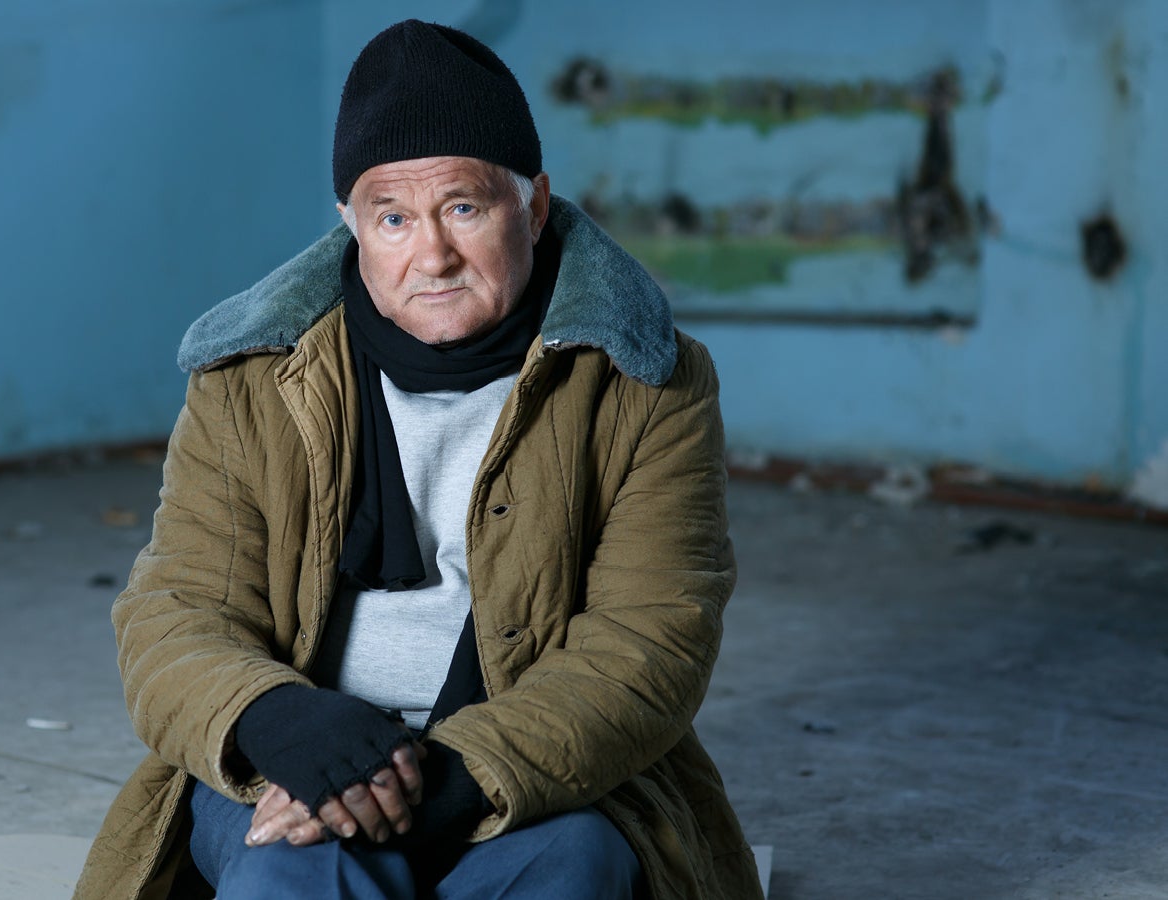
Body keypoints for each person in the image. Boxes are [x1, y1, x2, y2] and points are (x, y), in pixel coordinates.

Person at [74, 19, 762, 900]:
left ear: (535, 204)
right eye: (392, 218)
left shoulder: (644, 382)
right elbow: (176, 609)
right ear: (352, 224)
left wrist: (446, 780)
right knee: (288, 873)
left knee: (575, 868)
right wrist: (276, 721)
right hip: (294, 762)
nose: (430, 254)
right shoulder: (250, 378)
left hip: (527, 764)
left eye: (464, 208)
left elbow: (648, 639)